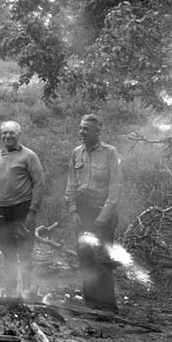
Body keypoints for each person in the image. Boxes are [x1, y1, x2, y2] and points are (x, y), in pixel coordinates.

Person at [63, 113, 122, 311]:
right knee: (85, 257)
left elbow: (115, 189)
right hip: (82, 212)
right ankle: (90, 304)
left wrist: (103, 217)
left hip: (102, 212)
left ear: (98, 132)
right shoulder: (76, 153)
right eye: (80, 128)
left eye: (86, 129)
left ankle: (106, 307)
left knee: (102, 259)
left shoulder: (109, 153)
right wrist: (73, 210)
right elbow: (71, 184)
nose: (82, 132)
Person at [0, 120, 44, 297]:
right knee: (7, 251)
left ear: (19, 135)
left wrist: (33, 211)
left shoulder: (29, 156)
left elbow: (39, 183)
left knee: (24, 250)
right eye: (4, 133)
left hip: (21, 209)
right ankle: (11, 288)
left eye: (11, 133)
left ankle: (26, 290)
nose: (7, 136)